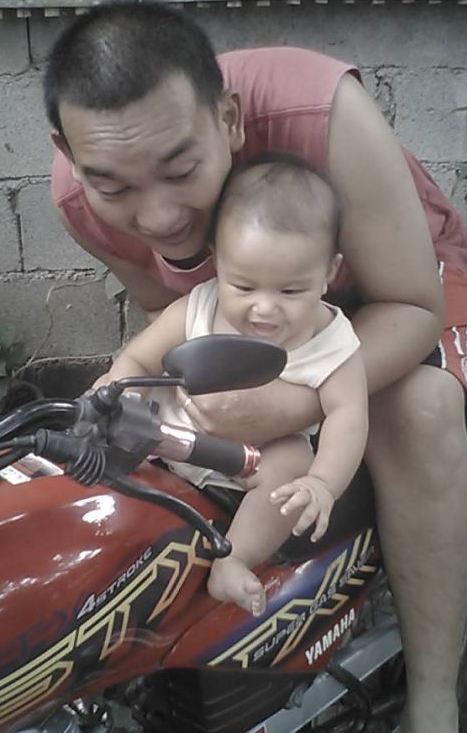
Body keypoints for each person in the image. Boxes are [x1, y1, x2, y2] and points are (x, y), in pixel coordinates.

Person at [45, 1, 467, 733]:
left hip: (399, 278)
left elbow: (409, 304)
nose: (161, 213)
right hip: (268, 306)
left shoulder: (323, 111)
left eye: (181, 169)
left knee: (418, 409)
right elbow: (170, 316)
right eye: (116, 186)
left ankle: (433, 722)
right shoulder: (78, 194)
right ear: (75, 162)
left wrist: (297, 405)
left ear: (229, 120)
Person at [94, 154, 368, 616]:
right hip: (164, 438)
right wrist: (121, 388)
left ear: (329, 273)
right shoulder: (198, 307)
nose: (264, 310)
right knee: (108, 397)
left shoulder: (333, 342)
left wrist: (323, 482)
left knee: (294, 466)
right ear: (218, 262)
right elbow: (140, 356)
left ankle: (234, 557)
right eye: (243, 286)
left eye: (290, 292)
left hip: (253, 460)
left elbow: (348, 415)